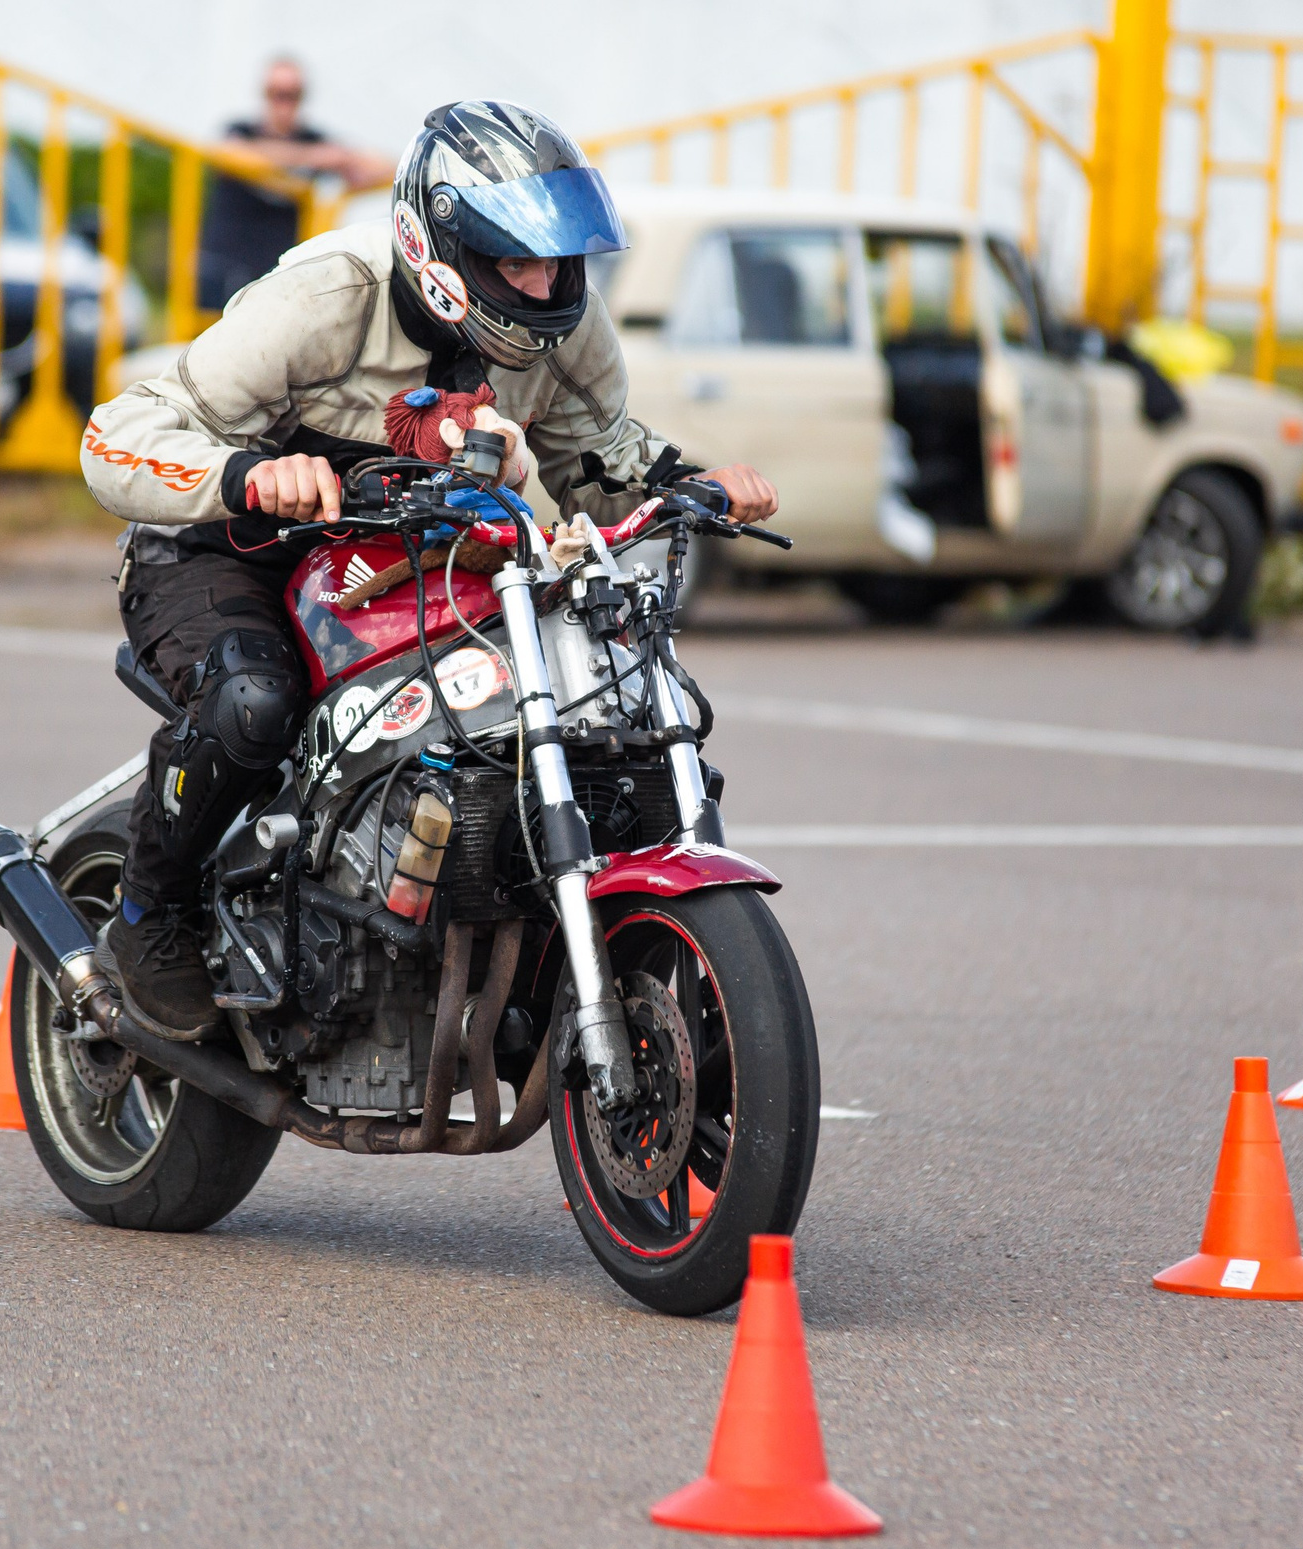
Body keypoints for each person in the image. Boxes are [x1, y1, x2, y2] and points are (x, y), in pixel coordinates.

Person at [76, 98, 779, 1040]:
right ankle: (148, 916)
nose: (541, 286)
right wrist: (248, 473)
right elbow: (116, 437)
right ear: (439, 246)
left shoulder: (563, 329)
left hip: (406, 559)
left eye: (556, 262)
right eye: (514, 261)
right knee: (253, 700)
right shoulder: (328, 297)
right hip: (223, 550)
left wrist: (691, 483)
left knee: (536, 719)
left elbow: (596, 462)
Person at [196, 56, 391, 311]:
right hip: (225, 271)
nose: (284, 103)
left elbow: (386, 167)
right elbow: (227, 152)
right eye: (277, 93)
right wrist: (313, 157)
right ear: (265, 94)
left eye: (293, 94)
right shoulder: (240, 131)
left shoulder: (314, 140)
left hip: (280, 277)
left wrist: (344, 160)